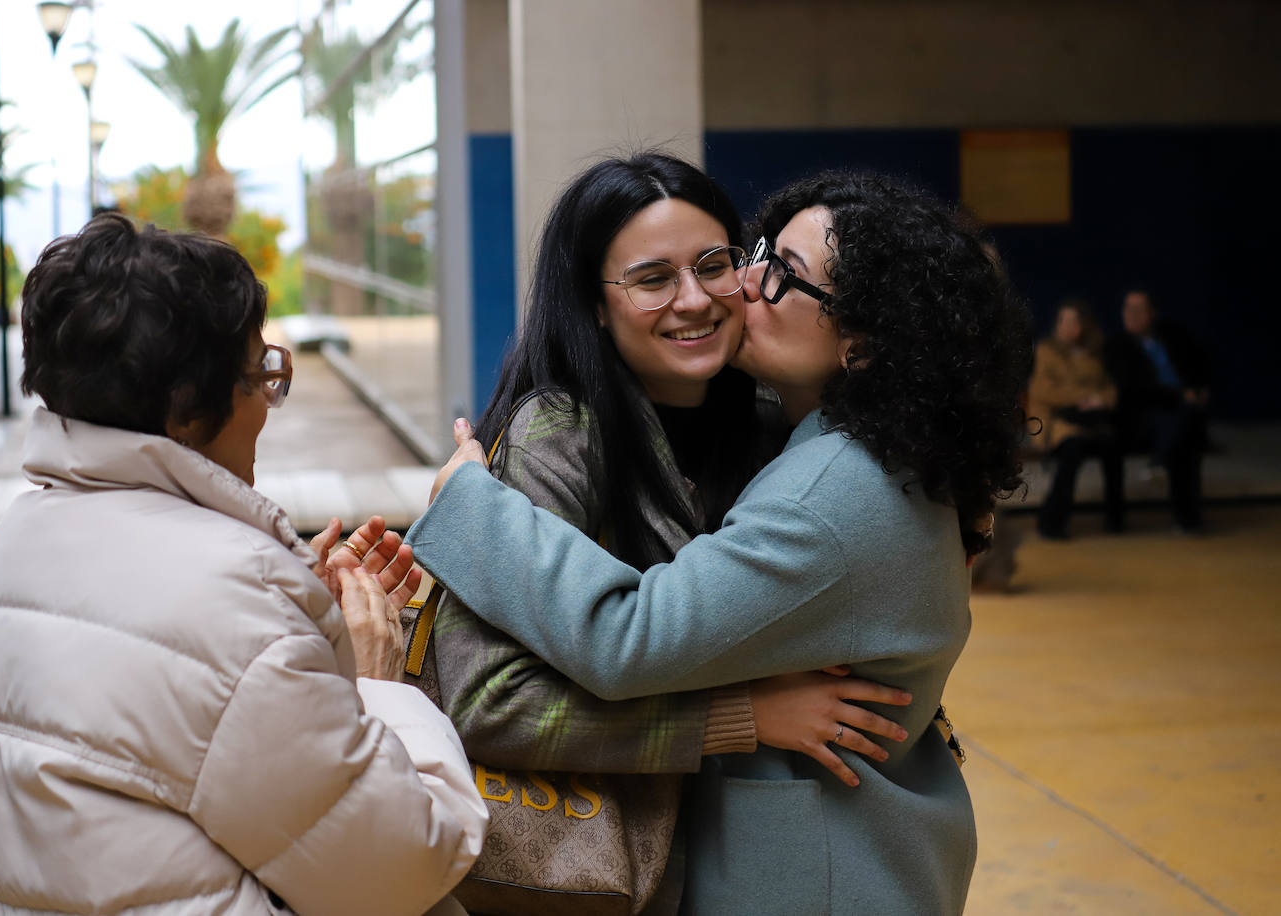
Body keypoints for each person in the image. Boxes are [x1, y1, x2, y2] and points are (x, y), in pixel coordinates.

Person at [413, 171, 1032, 914]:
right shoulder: (568, 437)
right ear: (594, 305)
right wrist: (740, 715)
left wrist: (467, 504)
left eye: (729, 264)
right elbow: (491, 699)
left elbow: (630, 635)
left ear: (862, 347)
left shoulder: (821, 481)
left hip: (822, 870)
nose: (726, 288)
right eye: (651, 278)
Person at [0, 214, 487, 915]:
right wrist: (374, 681)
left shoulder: (14, 539)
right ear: (188, 411)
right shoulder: (234, 599)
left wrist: (298, 631)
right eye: (261, 376)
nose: (267, 403)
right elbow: (405, 869)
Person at [1106, 288, 1210, 533]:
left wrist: (1199, 390)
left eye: (1138, 309)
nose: (1131, 315)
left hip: (1181, 413)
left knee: (1186, 428)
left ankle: (1186, 515)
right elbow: (1133, 389)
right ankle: (1186, 514)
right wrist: (1181, 396)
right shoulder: (1117, 345)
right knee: (1181, 420)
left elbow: (1199, 367)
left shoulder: (1174, 337)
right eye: (1127, 309)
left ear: (1152, 313)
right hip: (1141, 418)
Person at [1028, 298, 1123, 539]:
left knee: (1113, 446)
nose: (1068, 326)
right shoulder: (1046, 351)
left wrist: (1099, 400)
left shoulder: (1092, 355)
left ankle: (1115, 518)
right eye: (1064, 320)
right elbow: (1043, 391)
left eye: (1074, 321)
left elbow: (1110, 389)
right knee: (1073, 450)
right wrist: (1084, 397)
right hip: (1058, 424)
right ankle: (1051, 522)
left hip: (1089, 422)